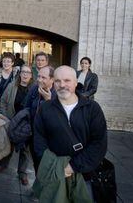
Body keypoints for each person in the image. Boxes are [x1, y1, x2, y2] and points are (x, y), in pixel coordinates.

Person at [34, 66, 107, 201]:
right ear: (53, 83)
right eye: (58, 81)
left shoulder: (92, 108)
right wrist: (52, 165)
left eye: (67, 81)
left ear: (75, 83)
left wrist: (71, 167)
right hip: (54, 173)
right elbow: (39, 139)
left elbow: (99, 143)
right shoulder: (45, 108)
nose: (62, 85)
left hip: (83, 175)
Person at [0, 65, 33, 179]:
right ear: (20, 74)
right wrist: (5, 117)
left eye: (28, 73)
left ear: (31, 76)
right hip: (11, 120)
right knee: (8, 144)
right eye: (23, 72)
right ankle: (3, 164)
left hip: (26, 124)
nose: (25, 74)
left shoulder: (34, 88)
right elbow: (3, 101)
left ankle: (22, 172)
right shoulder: (12, 86)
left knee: (25, 149)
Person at [24, 66, 56, 173]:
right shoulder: (34, 88)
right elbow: (26, 107)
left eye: (43, 77)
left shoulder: (58, 93)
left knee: (47, 165)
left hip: (49, 139)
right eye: (38, 76)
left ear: (52, 79)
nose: (39, 79)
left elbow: (58, 119)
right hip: (33, 135)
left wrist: (48, 101)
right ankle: (39, 185)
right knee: (36, 163)